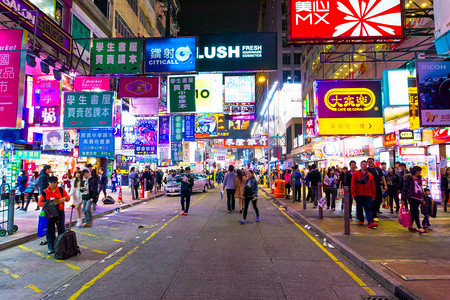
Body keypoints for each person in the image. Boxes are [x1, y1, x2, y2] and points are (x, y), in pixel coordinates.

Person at [38, 176, 70, 254]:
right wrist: (49, 203)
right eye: (51, 183)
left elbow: (68, 197)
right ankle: (51, 247)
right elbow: (40, 203)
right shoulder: (44, 192)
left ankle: (61, 245)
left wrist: (64, 199)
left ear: (57, 183)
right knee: (50, 230)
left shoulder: (61, 190)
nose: (53, 184)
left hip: (59, 213)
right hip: (49, 214)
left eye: (54, 183)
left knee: (61, 229)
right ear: (48, 183)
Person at [351, 161, 377, 229]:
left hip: (368, 194)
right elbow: (353, 184)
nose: (364, 166)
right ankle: (361, 219)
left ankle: (370, 222)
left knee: (368, 208)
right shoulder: (356, 174)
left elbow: (373, 186)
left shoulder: (370, 175)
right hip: (358, 194)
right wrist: (353, 193)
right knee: (359, 207)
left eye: (365, 164)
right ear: (360, 165)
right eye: (363, 164)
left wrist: (373, 195)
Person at [403, 166, 425, 234]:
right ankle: (419, 227)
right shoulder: (409, 179)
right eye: (419, 171)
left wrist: (423, 198)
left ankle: (410, 225)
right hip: (412, 197)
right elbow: (405, 189)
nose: (420, 172)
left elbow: (421, 188)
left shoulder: (418, 178)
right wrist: (403, 198)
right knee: (416, 211)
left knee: (413, 211)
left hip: (418, 197)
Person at [367, 158, 387, 222]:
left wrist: (385, 185)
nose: (370, 163)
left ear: (374, 162)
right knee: (371, 202)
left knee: (378, 201)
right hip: (369, 189)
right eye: (369, 162)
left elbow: (382, 177)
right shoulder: (366, 170)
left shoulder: (378, 169)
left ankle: (374, 213)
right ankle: (373, 215)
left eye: (371, 161)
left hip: (377, 188)